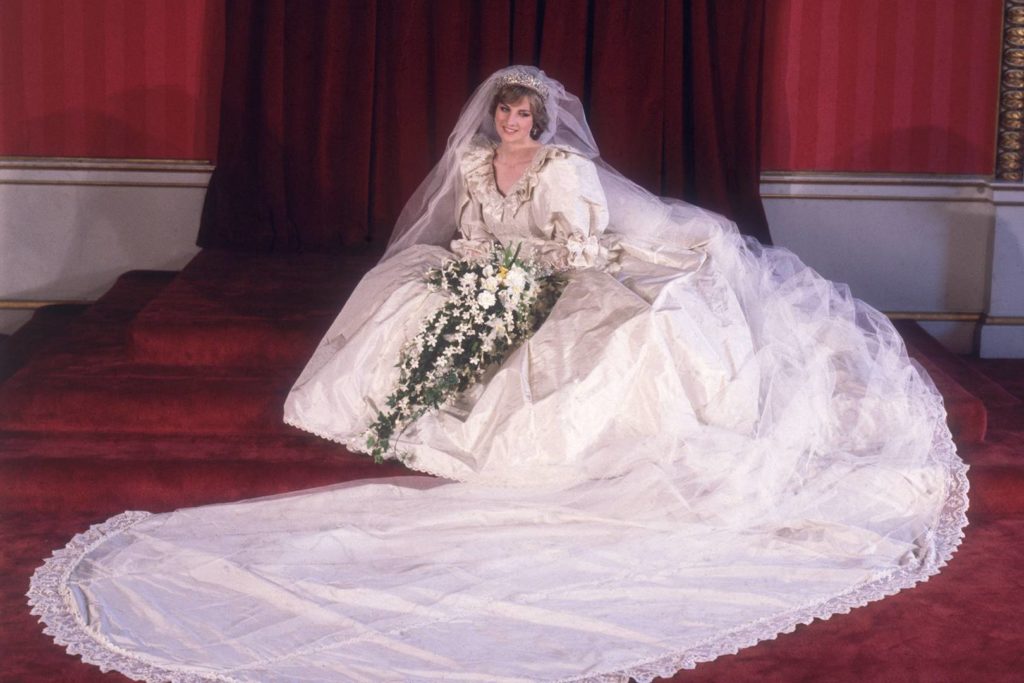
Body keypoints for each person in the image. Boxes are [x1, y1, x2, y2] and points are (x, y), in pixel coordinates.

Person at [30, 66, 968, 682]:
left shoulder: (563, 171)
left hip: (566, 268)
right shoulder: (480, 167)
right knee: (410, 294)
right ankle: (400, 407)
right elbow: (473, 231)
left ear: (542, 119)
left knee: (584, 340)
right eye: (505, 113)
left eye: (524, 114)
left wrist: (521, 274)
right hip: (499, 272)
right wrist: (477, 267)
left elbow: (579, 246)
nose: (513, 123)